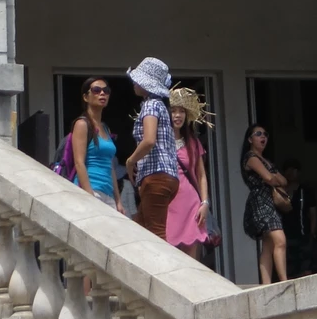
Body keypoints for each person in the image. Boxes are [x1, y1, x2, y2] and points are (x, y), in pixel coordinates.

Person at [125, 56, 180, 239]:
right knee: (141, 231)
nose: (134, 82)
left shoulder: (150, 105)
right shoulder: (162, 106)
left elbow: (149, 140)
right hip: (168, 176)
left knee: (156, 235)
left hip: (156, 176)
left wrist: (130, 161)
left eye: (137, 79)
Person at [241, 122, 290, 284]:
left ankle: (266, 284)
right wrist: (273, 177)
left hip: (271, 203)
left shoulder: (266, 161)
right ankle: (284, 281)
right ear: (250, 139)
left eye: (265, 134)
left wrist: (273, 178)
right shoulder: (251, 157)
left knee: (268, 245)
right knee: (280, 240)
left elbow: (284, 181)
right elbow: (270, 178)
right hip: (260, 203)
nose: (263, 137)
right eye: (258, 134)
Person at [167, 85, 213, 256]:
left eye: (181, 111)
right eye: (173, 111)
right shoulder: (158, 142)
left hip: (191, 204)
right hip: (167, 203)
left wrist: (205, 203)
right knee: (167, 256)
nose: (177, 115)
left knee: (191, 258)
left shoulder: (193, 142)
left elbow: (201, 175)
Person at [71, 77, 121, 208]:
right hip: (91, 190)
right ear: (86, 97)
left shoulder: (105, 128)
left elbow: (110, 165)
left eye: (106, 90)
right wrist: (89, 195)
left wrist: (118, 200)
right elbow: (79, 162)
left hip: (108, 193)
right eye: (96, 90)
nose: (102, 93)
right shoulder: (82, 124)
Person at [280, 160, 317, 278]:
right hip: (285, 236)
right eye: (288, 170)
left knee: (306, 270)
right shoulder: (279, 192)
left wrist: (312, 234)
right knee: (290, 270)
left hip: (304, 235)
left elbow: (313, 214)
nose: (291, 173)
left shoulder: (306, 191)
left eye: (294, 170)